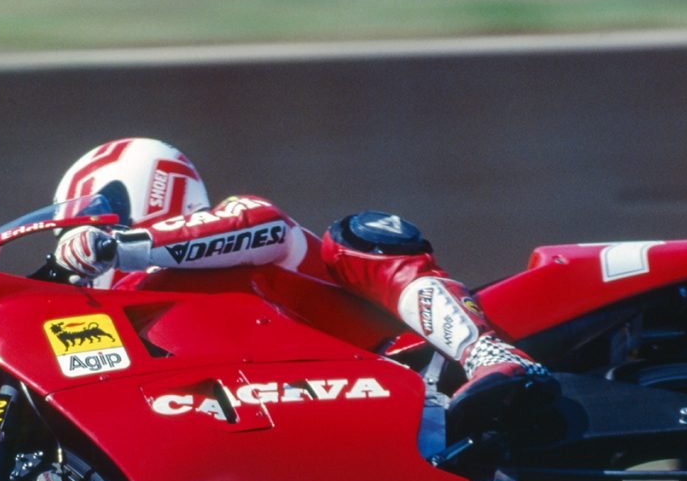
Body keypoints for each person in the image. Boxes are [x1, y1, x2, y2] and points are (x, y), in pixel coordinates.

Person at [52, 137, 554, 420]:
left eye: (93, 214)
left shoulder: (237, 223)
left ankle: (491, 355)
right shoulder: (133, 313)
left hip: (405, 364)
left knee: (358, 237)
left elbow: (262, 223)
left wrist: (122, 245)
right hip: (293, 416)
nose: (81, 233)